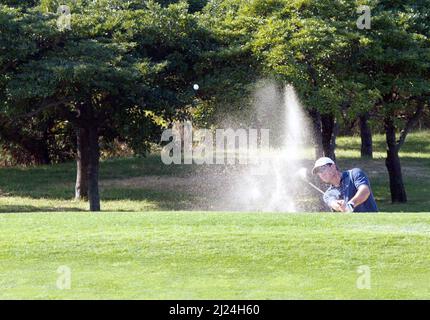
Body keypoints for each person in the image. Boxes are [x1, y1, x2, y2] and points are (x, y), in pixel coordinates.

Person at [312, 157, 378, 212]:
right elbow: (333, 203)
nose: (321, 174)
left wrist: (351, 204)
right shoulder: (328, 194)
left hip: (372, 222)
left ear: (333, 167)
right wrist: (338, 205)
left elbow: (365, 191)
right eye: (318, 172)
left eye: (322, 169)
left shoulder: (354, 174)